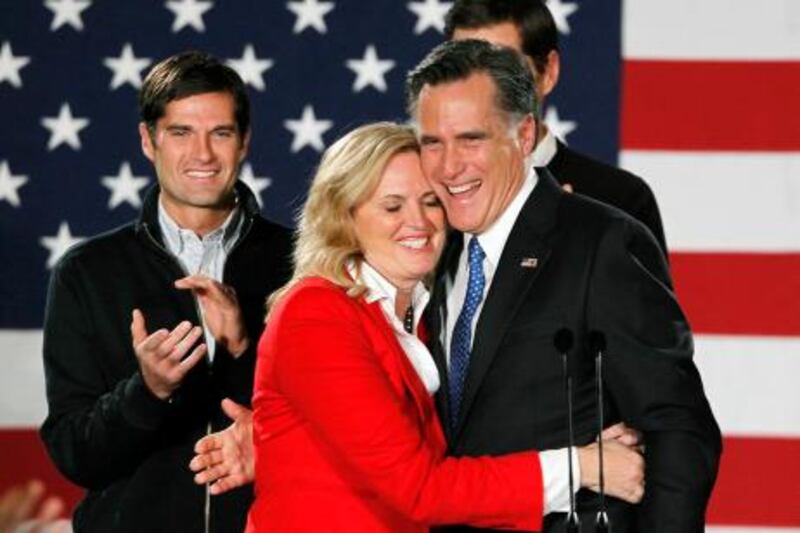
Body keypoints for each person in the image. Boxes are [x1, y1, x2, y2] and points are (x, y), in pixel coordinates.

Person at [230, 122, 644, 531]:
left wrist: (588, 446)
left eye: (431, 201)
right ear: (344, 217)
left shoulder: (423, 321)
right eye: (392, 206)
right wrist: (580, 467)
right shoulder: (316, 312)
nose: (420, 222)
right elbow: (420, 488)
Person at [406, 39, 721, 532]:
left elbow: (678, 428)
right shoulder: (427, 251)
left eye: (471, 139)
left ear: (525, 134)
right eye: (431, 142)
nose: (448, 167)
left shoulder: (601, 243)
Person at [40, 51, 292, 532]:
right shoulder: (87, 272)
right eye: (181, 133)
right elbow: (74, 453)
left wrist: (244, 349)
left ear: (244, 143)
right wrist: (148, 391)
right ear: (148, 140)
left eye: (220, 133)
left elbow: (335, 429)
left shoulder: (302, 262)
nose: (202, 154)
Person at [445, 0, 668, 255]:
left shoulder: (619, 201)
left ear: (549, 72)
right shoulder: (427, 200)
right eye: (461, 67)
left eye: (502, 67)